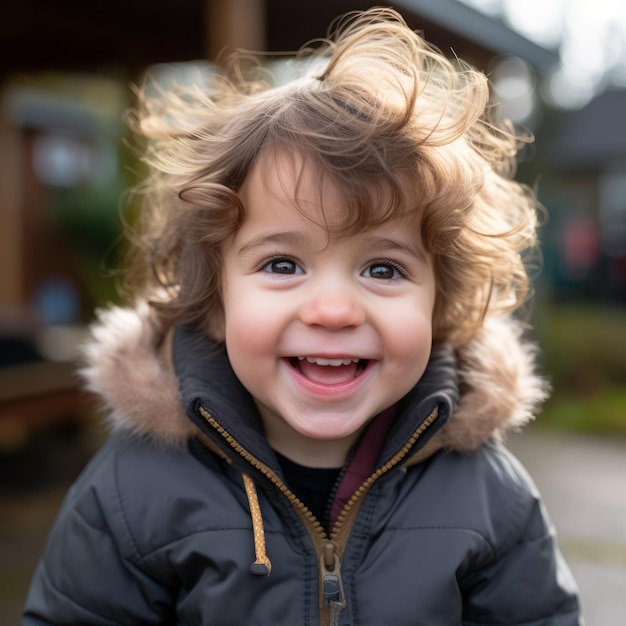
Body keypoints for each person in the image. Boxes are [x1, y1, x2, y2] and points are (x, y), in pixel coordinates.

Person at [23, 7, 583, 625]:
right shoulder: (134, 494)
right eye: (283, 264)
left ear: (440, 302)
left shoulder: (489, 497)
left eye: (383, 269)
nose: (334, 310)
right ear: (214, 300)